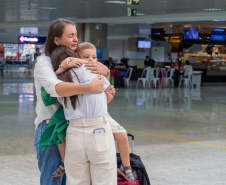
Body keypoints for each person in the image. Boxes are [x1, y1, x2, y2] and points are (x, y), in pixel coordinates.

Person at [34, 18, 112, 185]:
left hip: (74, 128)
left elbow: (101, 92)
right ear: (57, 40)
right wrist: (90, 86)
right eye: (70, 36)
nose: (76, 39)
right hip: (51, 128)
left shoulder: (77, 62)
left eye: (76, 35)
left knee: (72, 180)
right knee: (53, 180)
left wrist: (105, 73)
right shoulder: (44, 62)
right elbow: (55, 88)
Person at [49, 43, 135, 184]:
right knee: (104, 179)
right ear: (75, 56)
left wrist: (59, 70)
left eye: (94, 57)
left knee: (76, 180)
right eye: (86, 57)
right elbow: (106, 96)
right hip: (98, 127)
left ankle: (63, 163)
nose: (90, 60)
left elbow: (50, 92)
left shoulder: (59, 77)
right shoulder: (95, 72)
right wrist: (106, 73)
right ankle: (126, 168)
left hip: (74, 131)